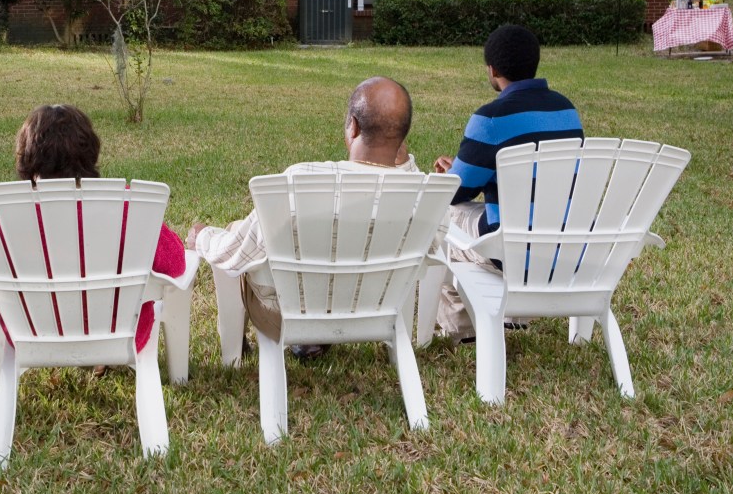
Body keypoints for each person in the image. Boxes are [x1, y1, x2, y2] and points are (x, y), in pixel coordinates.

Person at [191, 76, 429, 348]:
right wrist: (408, 168)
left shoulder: (301, 180)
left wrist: (202, 237)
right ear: (402, 136)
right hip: (378, 308)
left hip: (293, 314)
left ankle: (241, 346)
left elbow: (237, 252)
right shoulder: (423, 195)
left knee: (238, 231)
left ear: (353, 126)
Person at [0, 104, 186, 351]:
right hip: (119, 333)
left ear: (27, 154)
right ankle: (97, 354)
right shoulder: (127, 206)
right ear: (90, 152)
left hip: (30, 334)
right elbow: (174, 263)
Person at [432, 24, 584, 338]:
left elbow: (458, 191)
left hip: (512, 252)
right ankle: (512, 316)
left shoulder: (491, 118)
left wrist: (450, 174)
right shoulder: (567, 110)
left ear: (492, 69)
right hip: (565, 245)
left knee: (439, 220)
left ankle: (462, 327)